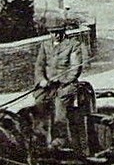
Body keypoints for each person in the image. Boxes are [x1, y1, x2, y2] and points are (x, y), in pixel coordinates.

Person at [34, 16, 84, 148]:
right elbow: (39, 65)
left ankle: (61, 138)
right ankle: (41, 134)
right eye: (52, 32)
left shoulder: (73, 45)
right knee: (39, 101)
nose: (55, 35)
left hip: (66, 85)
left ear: (64, 31)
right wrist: (42, 80)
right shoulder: (45, 46)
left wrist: (61, 80)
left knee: (59, 105)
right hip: (48, 85)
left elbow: (75, 69)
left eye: (58, 32)